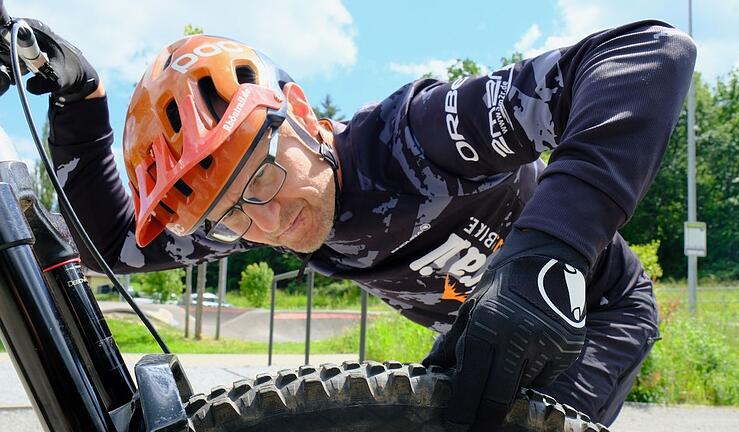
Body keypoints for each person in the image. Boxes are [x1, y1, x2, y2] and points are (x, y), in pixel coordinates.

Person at [1, 17, 696, 430]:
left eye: (264, 177)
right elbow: (112, 246)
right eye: (234, 214)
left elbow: (649, 55)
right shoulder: (250, 214)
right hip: (476, 325)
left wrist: (553, 251)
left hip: (595, 308)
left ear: (301, 115)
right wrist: (79, 100)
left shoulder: (416, 138)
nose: (268, 222)